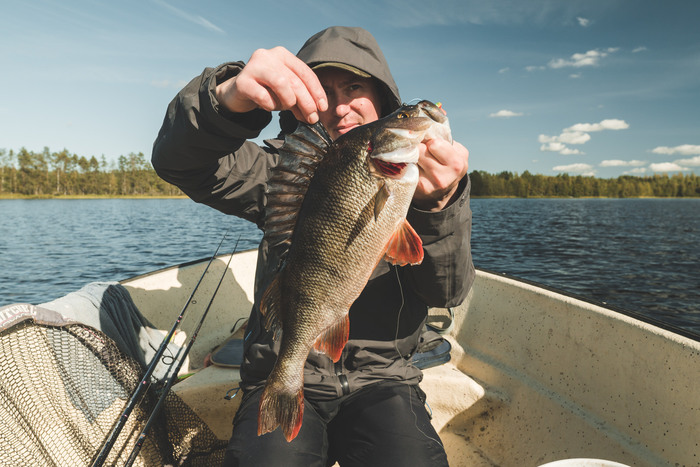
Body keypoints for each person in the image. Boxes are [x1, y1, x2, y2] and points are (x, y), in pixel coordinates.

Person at [152, 26, 475, 467]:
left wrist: (438, 207)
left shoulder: (421, 183)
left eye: (354, 88)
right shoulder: (282, 174)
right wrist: (225, 97)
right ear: (300, 102)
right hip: (283, 368)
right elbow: (178, 161)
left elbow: (447, 293)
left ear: (382, 100)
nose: (340, 107)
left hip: (385, 381)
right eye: (324, 92)